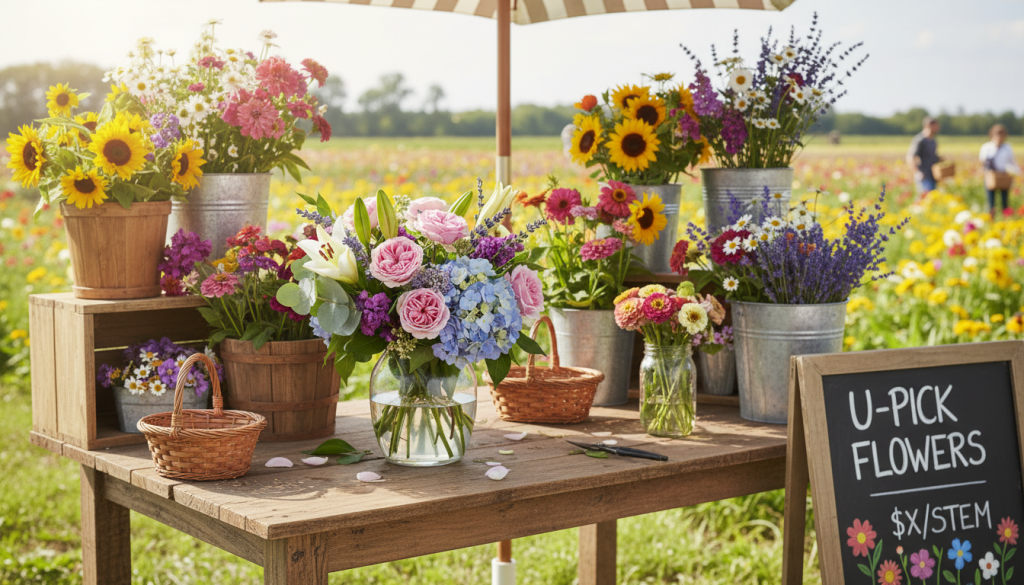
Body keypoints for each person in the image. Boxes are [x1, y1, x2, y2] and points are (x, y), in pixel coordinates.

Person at [979, 124, 1019, 216]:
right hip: (990, 176)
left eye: (1002, 135)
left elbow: (1012, 161)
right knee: (991, 201)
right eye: (997, 134)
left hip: (1003, 176)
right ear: (992, 135)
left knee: (1005, 201)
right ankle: (991, 218)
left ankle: (1006, 218)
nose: (999, 137)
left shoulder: (1007, 147)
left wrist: (1018, 172)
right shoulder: (987, 147)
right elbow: (982, 162)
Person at [906, 117, 942, 195]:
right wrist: (917, 172)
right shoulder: (920, 140)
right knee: (924, 198)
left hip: (933, 175)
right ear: (929, 125)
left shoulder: (933, 140)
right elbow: (910, 157)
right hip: (924, 176)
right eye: (936, 126)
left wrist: (942, 160)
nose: (938, 128)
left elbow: (933, 156)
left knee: (933, 198)